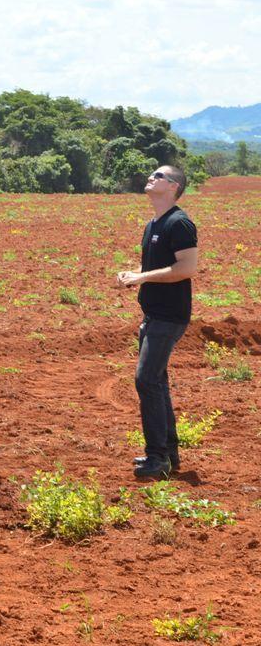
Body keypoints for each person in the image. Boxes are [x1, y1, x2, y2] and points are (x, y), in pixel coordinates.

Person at [116, 165, 198, 478]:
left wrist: (142, 277)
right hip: (153, 315)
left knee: (146, 380)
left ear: (174, 185)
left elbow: (186, 267)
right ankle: (169, 455)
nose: (152, 177)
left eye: (159, 175)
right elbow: (159, 265)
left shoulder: (179, 222)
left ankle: (158, 458)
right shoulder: (154, 224)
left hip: (169, 316)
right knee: (157, 382)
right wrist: (135, 275)